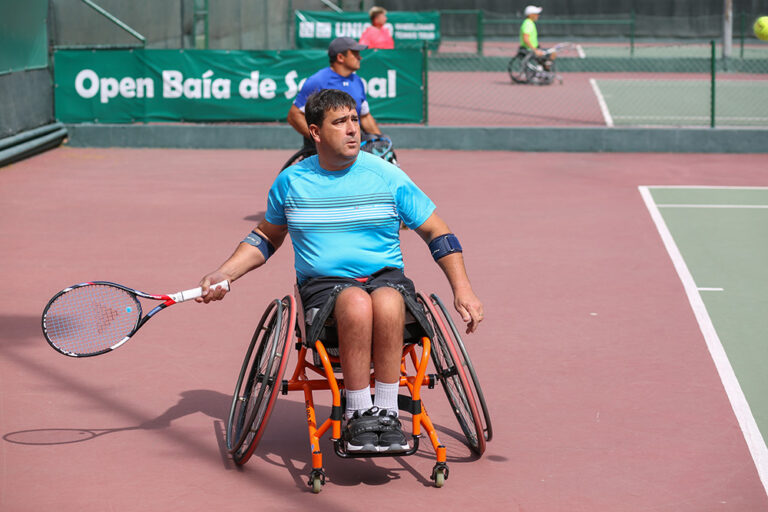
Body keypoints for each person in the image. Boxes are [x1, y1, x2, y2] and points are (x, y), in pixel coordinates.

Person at [198, 89, 483, 454]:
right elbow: (265, 238)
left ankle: (386, 410)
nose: (352, 129)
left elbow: (437, 232)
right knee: (355, 303)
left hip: (386, 278)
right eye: (340, 122)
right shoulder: (291, 182)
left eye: (354, 120)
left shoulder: (387, 176)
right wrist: (225, 273)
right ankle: (358, 410)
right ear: (315, 132)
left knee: (389, 300)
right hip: (323, 286)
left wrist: (463, 289)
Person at [286, 37, 382, 153]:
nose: (359, 57)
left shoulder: (358, 81)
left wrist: (380, 141)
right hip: (324, 151)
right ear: (340, 57)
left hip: (352, 146)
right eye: (355, 53)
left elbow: (365, 117)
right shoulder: (318, 80)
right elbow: (294, 116)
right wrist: (321, 140)